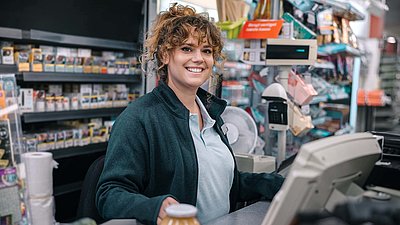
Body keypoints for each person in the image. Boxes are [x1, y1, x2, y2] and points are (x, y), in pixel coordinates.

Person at [96, 3, 284, 225]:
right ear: (165, 55)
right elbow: (109, 194)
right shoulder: (140, 118)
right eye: (186, 48)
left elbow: (220, 183)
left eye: (206, 51)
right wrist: (155, 206)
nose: (199, 58)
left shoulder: (212, 113)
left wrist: (275, 184)